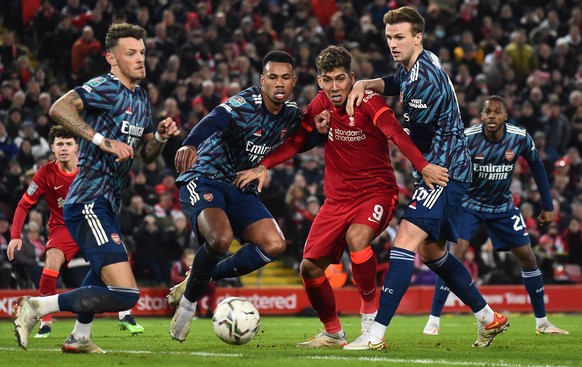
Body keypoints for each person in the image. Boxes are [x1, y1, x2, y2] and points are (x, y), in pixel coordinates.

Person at [234, 45, 448, 348]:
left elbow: (397, 134)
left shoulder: (369, 102)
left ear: (352, 78)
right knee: (308, 269)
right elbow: (296, 141)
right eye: (327, 80)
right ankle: (333, 332)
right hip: (337, 201)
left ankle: (369, 319)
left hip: (377, 192)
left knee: (357, 239)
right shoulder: (320, 104)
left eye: (339, 79)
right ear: (319, 81)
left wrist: (423, 166)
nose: (334, 87)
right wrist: (263, 165)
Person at [343, 7, 509, 350]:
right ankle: (488, 318)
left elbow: (411, 138)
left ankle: (375, 335)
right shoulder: (420, 62)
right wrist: (365, 83)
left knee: (404, 241)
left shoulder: (422, 81)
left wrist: (374, 125)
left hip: (441, 172)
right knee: (434, 253)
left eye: (400, 36)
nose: (392, 43)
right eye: (389, 37)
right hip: (450, 168)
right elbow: (394, 81)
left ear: (418, 36)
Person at [12, 23, 179, 353]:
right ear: (111, 58)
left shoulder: (141, 98)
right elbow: (58, 107)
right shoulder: (105, 86)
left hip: (107, 204)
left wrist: (159, 137)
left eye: (142, 53)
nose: (140, 59)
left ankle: (80, 337)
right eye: (130, 53)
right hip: (89, 199)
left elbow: (145, 156)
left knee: (101, 276)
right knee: (127, 294)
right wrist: (102, 141)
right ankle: (37, 307)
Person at [168, 51, 304, 342]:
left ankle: (200, 275)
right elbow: (216, 118)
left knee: (275, 244)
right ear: (262, 80)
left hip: (241, 186)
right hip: (205, 177)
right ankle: (189, 303)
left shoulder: (292, 113)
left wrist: (322, 125)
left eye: (285, 77)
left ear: (293, 81)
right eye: (272, 77)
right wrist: (190, 143)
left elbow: (305, 138)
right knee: (219, 238)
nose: (279, 83)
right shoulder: (246, 103)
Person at [422, 96, 568, 336]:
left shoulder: (519, 138)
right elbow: (444, 163)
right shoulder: (467, 138)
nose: (491, 116)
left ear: (505, 116)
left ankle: (542, 322)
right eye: (487, 112)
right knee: (454, 256)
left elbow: (537, 167)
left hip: (502, 207)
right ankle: (433, 320)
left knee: (528, 258)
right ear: (481, 116)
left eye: (497, 112)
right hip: (469, 204)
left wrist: (548, 205)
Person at [7, 125, 144, 338]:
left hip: (92, 223)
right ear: (52, 147)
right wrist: (15, 236)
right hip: (63, 227)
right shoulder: (45, 173)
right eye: (59, 144)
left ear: (77, 147)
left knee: (115, 260)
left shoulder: (89, 169)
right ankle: (46, 322)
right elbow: (24, 204)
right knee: (50, 266)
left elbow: (111, 200)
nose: (64, 148)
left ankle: (125, 315)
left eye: (68, 144)